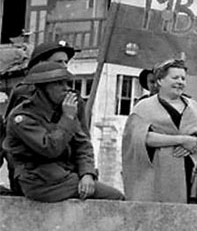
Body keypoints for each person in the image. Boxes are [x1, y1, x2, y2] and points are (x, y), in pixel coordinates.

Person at [2, 61, 124, 202]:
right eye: (58, 84)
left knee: (115, 197)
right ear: (42, 89)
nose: (65, 89)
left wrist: (87, 174)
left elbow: (83, 145)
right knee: (113, 198)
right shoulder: (23, 117)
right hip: (40, 181)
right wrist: (67, 118)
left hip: (64, 176)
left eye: (66, 83)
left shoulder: (63, 110)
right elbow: (50, 148)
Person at [121, 58, 197, 203]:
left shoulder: (195, 107)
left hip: (193, 176)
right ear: (160, 81)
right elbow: (139, 138)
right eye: (175, 78)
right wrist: (182, 140)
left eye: (183, 78)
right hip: (157, 174)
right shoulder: (144, 107)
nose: (180, 82)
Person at [1, 39, 78, 195]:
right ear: (40, 64)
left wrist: (87, 173)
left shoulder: (70, 99)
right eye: (58, 62)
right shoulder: (23, 96)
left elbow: (81, 139)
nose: (63, 66)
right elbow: (9, 137)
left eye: (65, 62)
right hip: (35, 175)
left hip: (65, 172)